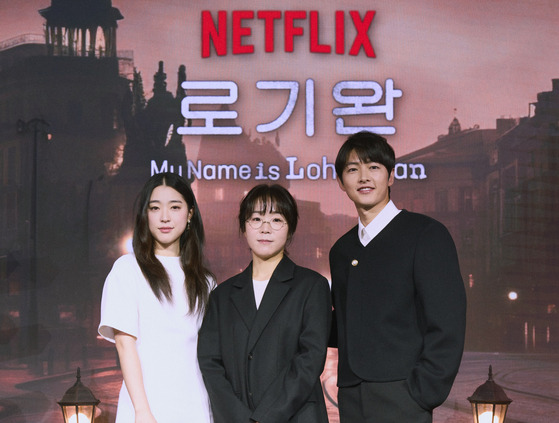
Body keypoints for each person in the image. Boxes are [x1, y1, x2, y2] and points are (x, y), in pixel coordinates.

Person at [329, 131, 467, 423]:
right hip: (352, 395)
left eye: (374, 167)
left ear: (390, 177)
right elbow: (344, 322)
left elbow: (447, 322)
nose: (364, 177)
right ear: (341, 182)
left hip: (404, 395)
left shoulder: (426, 234)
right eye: (353, 169)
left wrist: (423, 392)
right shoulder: (341, 250)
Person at [197, 184, 331, 423]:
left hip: (296, 416)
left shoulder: (312, 286)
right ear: (244, 228)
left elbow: (309, 361)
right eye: (256, 219)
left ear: (290, 228)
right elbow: (210, 363)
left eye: (276, 219)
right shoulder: (222, 295)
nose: (265, 229)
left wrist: (264, 418)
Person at [98, 172, 214, 423]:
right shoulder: (128, 269)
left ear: (190, 213)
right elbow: (124, 344)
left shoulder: (205, 281)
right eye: (154, 208)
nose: (165, 217)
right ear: (145, 215)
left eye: (175, 207)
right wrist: (142, 411)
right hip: (145, 409)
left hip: (196, 405)